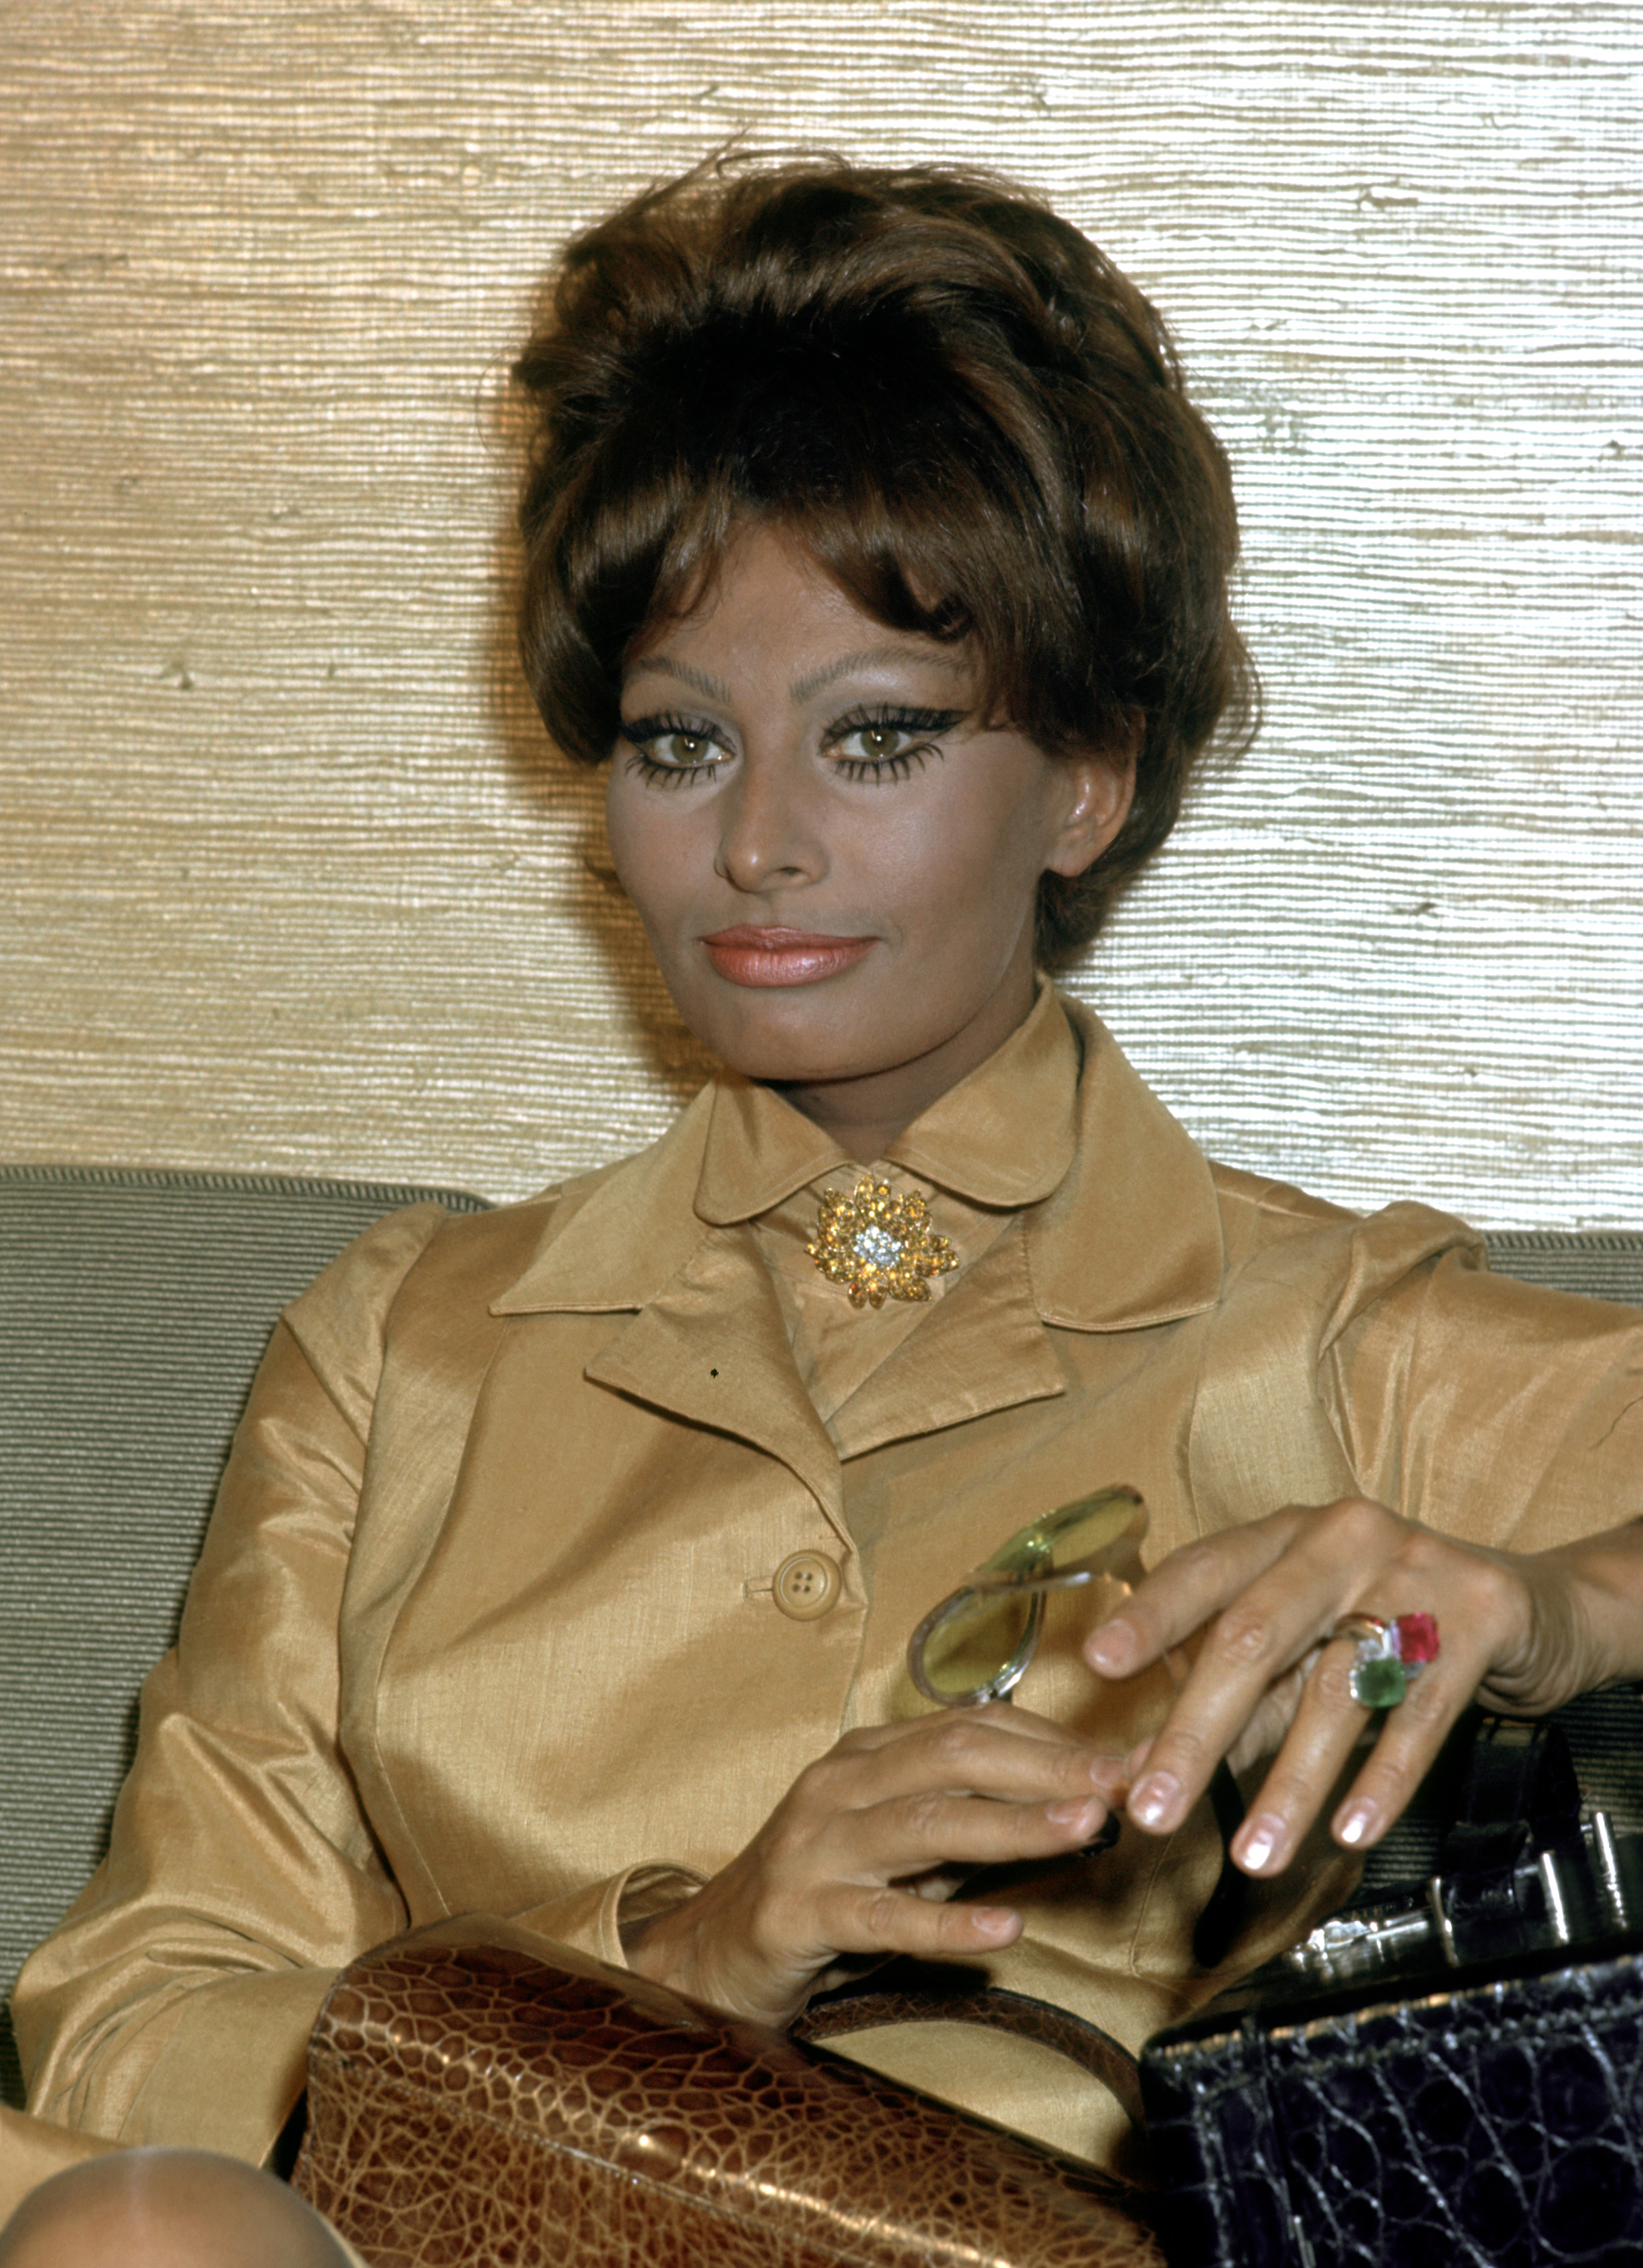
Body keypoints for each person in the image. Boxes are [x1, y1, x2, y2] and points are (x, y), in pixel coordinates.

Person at [5, 156, 1642, 2246]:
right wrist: (664, 1974)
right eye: (682, 747)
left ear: (1086, 779)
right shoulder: (407, 1345)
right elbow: (137, 2012)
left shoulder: (1321, 1330)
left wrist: (1544, 1611)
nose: (758, 844)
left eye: (875, 741)